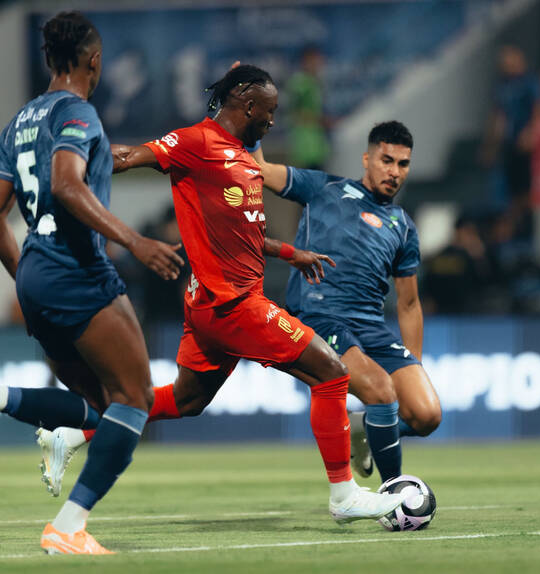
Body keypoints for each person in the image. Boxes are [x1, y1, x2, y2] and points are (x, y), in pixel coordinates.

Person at [40, 64, 404, 524]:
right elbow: (129, 156)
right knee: (331, 373)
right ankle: (344, 495)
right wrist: (70, 159)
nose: (273, 120)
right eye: (269, 111)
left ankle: (72, 434)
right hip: (232, 304)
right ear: (248, 106)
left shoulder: (242, 158)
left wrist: (290, 252)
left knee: (186, 401)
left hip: (211, 308)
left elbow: (243, 232)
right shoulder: (196, 142)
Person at [0, 12, 185, 554]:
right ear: (95, 61)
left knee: (105, 407)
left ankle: (6, 397)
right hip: (76, 269)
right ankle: (68, 526)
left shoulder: (19, 122)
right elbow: (66, 184)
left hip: (36, 272)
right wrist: (135, 241)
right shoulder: (77, 111)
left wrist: (25, 275)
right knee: (136, 397)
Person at [249, 121, 442, 483]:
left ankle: (365, 429)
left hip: (370, 325)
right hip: (319, 317)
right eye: (386, 160)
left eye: (403, 164)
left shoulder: (402, 225)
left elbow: (409, 304)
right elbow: (259, 169)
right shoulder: (324, 188)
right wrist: (253, 124)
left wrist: (413, 365)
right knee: (380, 390)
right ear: (367, 159)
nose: (394, 172)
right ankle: (394, 490)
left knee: (426, 415)